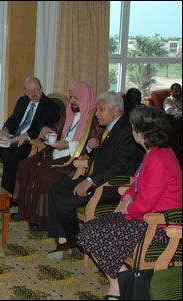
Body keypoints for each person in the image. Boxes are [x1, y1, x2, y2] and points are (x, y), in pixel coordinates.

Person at [78, 106, 182, 300]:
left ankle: (118, 284)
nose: (131, 130)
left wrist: (129, 208)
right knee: (91, 230)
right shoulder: (154, 152)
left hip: (158, 225)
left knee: (92, 232)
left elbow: (145, 205)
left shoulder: (159, 159)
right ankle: (119, 282)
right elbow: (136, 182)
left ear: (141, 133)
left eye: (133, 127)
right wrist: (128, 196)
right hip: (143, 217)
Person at [45, 92, 144, 260]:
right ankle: (69, 240)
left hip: (112, 187)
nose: (97, 113)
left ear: (115, 110)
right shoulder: (112, 127)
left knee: (64, 199)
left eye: (101, 109)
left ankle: (76, 242)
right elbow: (106, 158)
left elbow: (120, 166)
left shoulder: (126, 131)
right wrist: (92, 148)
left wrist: (90, 180)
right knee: (56, 188)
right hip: (98, 179)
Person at [11, 81, 102, 231]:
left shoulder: (94, 119)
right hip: (55, 151)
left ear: (84, 98)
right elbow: (57, 128)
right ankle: (25, 211)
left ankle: (40, 219)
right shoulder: (70, 112)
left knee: (46, 175)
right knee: (25, 166)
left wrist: (69, 145)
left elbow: (93, 145)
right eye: (70, 97)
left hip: (73, 159)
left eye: (75, 98)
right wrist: (48, 130)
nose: (71, 101)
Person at [0, 76, 60, 195]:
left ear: (41, 88)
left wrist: (26, 135)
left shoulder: (51, 106)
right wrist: (6, 129)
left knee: (9, 155)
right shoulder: (22, 101)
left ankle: (6, 195)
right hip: (14, 138)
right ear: (25, 92)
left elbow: (46, 127)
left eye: (36, 89)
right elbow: (13, 119)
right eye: (29, 91)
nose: (33, 93)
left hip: (30, 142)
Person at [163, 83, 182, 165]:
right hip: (175, 122)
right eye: (176, 91)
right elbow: (170, 112)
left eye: (180, 91)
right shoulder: (168, 101)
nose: (178, 93)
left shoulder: (181, 100)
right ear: (171, 92)